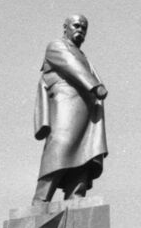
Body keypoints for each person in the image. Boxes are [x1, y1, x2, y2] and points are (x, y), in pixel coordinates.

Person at [33, 13, 107, 204]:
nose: (80, 30)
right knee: (60, 145)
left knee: (86, 154)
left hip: (86, 108)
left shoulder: (83, 55)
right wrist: (94, 85)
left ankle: (76, 198)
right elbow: (70, 64)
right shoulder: (57, 46)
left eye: (84, 28)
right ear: (65, 27)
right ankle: (41, 199)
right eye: (76, 25)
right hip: (66, 102)